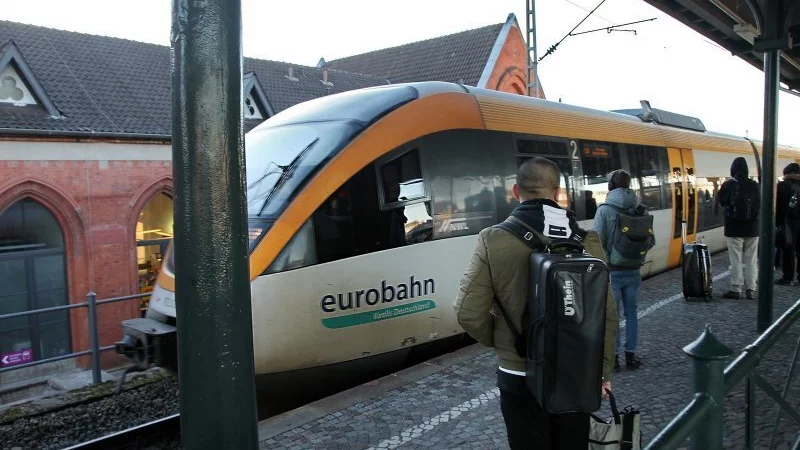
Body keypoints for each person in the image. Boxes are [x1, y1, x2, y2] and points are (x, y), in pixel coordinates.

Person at [454, 157, 617, 449]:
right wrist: (603, 372)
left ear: (516, 191)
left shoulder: (492, 239)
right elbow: (605, 314)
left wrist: (507, 342)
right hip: (576, 370)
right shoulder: (587, 240)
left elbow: (468, 313)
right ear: (557, 192)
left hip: (518, 374)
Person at [594, 170, 650, 371]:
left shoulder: (605, 210)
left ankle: (614, 358)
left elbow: (597, 242)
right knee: (632, 313)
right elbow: (650, 240)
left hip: (612, 271)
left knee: (613, 315)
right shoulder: (640, 209)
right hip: (634, 270)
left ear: (610, 187)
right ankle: (631, 356)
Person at [717, 157, 760, 298]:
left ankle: (736, 289)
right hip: (752, 228)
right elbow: (760, 205)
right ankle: (751, 289)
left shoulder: (728, 185)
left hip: (733, 228)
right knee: (751, 259)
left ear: (732, 169)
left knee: (735, 259)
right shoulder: (754, 185)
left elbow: (722, 201)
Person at [776, 163, 800, 284]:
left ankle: (788, 278)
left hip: (788, 223)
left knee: (788, 251)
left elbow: (776, 206)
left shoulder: (781, 186)